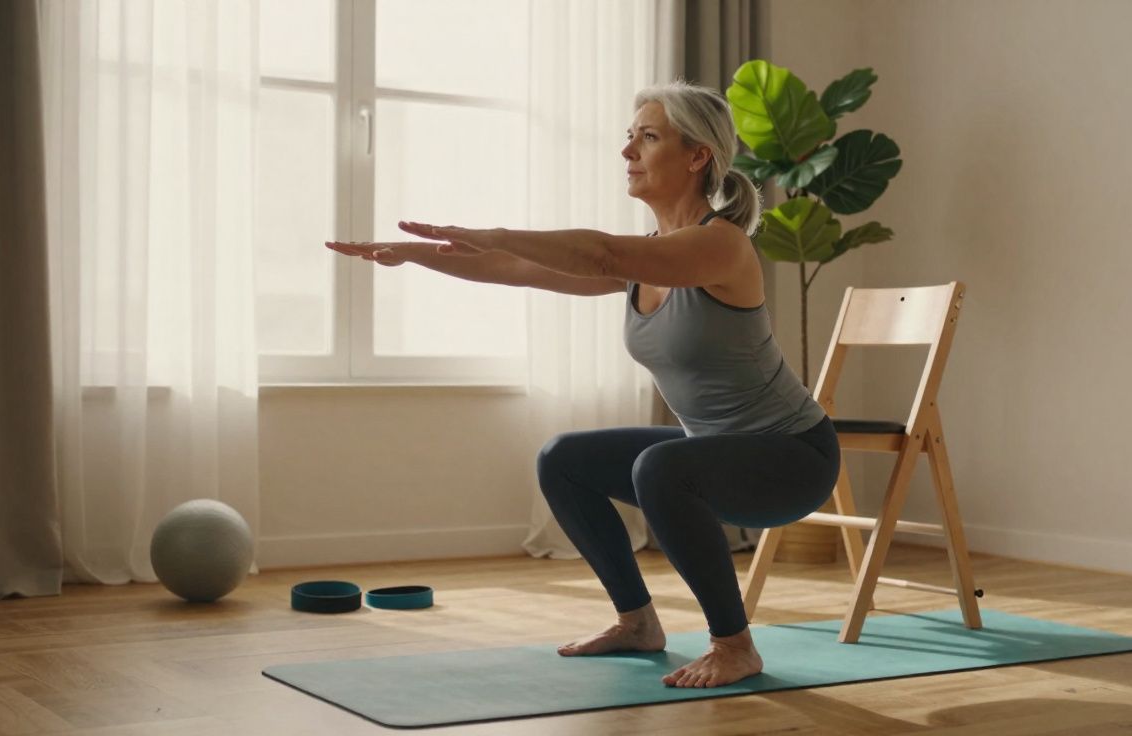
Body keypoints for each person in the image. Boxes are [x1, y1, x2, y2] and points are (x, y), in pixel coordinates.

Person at [326, 80, 841, 689]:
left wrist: (493, 231)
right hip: (716, 461)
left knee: (659, 466)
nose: (627, 152)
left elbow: (596, 254)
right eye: (630, 137)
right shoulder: (647, 257)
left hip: (792, 460)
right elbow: (517, 269)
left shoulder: (718, 246)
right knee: (564, 459)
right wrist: (417, 254)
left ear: (698, 155)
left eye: (647, 138)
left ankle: (734, 645)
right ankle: (638, 622)